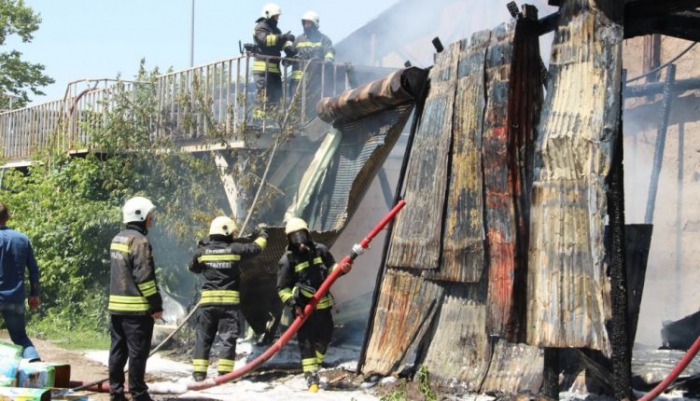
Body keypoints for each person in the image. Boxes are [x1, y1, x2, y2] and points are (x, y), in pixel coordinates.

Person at [189, 217, 268, 382]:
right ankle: (224, 375)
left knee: (204, 337)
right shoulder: (235, 249)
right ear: (227, 232)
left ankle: (198, 373)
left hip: (208, 304)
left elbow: (193, 268)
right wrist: (263, 234)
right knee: (227, 337)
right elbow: (256, 248)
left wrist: (202, 249)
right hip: (228, 304)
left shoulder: (202, 252)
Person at [276, 217, 347, 393]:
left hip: (323, 307)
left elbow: (332, 269)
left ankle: (316, 364)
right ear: (289, 240)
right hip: (303, 310)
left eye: (301, 235)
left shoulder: (320, 250)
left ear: (308, 234)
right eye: (294, 237)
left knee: (325, 337)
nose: (299, 240)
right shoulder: (288, 260)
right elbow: (282, 289)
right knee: (306, 343)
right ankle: (311, 378)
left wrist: (342, 269)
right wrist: (294, 303)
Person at [108, 197, 163, 401]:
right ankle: (139, 394)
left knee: (118, 351)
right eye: (150, 215)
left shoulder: (118, 238)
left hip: (117, 308)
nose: (152, 219)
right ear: (140, 215)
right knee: (137, 354)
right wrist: (156, 304)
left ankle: (116, 393)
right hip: (136, 311)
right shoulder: (140, 241)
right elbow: (144, 278)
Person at [0, 203, 40, 362]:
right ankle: (36, 369)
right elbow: (33, 269)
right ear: (8, 217)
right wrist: (34, 294)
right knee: (20, 338)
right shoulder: (22, 239)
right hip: (15, 298)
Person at [287, 11, 336, 119]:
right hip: (297, 80)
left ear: (315, 24)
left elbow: (330, 50)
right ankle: (294, 122)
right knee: (295, 102)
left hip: (314, 78)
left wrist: (328, 59)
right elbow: (292, 54)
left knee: (312, 102)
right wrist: (287, 59)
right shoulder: (298, 39)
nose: (306, 25)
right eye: (305, 23)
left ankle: (310, 120)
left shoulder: (323, 39)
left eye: (309, 23)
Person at [252, 3, 295, 121]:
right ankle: (259, 122)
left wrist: (290, 50)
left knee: (276, 97)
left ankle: (271, 122)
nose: (277, 19)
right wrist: (283, 37)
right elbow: (265, 41)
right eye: (276, 16)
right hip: (262, 70)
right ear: (268, 15)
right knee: (263, 96)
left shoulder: (276, 30)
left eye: (278, 16)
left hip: (274, 71)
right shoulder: (260, 27)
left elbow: (281, 44)